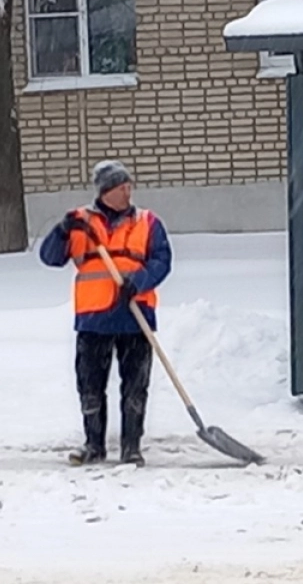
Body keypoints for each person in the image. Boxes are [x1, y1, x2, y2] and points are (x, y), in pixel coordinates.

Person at [40, 160, 173, 466]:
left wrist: (138, 281)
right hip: (94, 317)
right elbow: (50, 257)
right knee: (90, 386)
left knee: (135, 387)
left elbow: (162, 261)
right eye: (121, 186)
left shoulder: (147, 222)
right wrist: (62, 231)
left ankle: (131, 447)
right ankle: (94, 445)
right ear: (106, 191)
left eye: (129, 186)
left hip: (135, 315)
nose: (128, 191)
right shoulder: (81, 222)